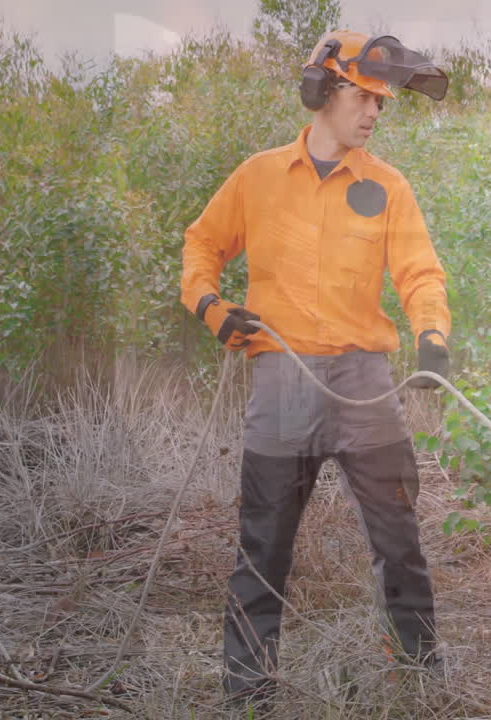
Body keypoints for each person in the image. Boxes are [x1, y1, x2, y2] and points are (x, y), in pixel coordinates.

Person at [179, 30, 452, 703]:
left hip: (366, 384)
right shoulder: (259, 176)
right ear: (325, 90)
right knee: (262, 549)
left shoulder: (389, 187)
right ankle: (248, 696)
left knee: (401, 543)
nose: (373, 113)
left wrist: (433, 340)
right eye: (364, 96)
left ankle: (419, 686)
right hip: (282, 383)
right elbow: (201, 245)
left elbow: (420, 274)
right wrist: (213, 308)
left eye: (382, 104)